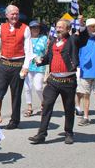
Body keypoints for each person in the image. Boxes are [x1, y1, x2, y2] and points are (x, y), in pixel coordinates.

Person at [29, 16, 88, 145]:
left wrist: (82, 24)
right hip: (53, 81)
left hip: (68, 81)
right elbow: (50, 57)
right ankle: (41, 134)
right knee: (47, 107)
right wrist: (41, 60)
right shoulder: (53, 42)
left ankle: (68, 133)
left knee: (68, 108)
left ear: (68, 29)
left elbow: (84, 39)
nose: (58, 29)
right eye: (57, 27)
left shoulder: (73, 40)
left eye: (61, 27)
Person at [23, 20, 48, 117]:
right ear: (30, 29)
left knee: (38, 87)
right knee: (27, 88)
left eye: (37, 27)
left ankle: (43, 103)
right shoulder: (27, 39)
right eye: (33, 27)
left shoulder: (44, 38)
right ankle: (29, 108)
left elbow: (48, 51)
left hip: (40, 66)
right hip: (28, 66)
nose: (36, 29)